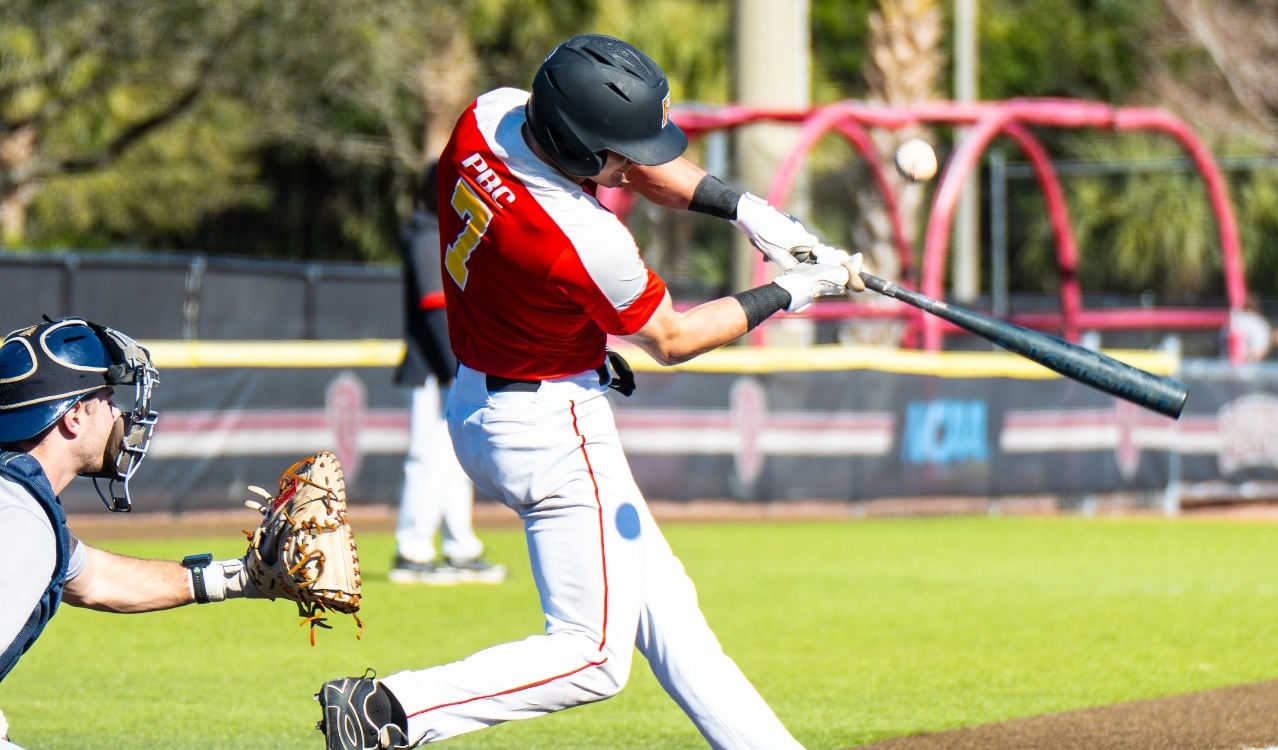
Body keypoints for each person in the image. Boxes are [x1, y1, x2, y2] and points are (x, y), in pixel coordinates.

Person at [315, 34, 860, 750]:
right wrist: (792, 289)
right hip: (550, 428)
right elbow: (673, 339)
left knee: (672, 623)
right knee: (594, 657)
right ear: (577, 149)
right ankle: (392, 709)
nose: (634, 160)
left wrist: (755, 215)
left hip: (487, 401)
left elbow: (632, 168)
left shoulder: (490, 114)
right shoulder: (579, 237)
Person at [0, 316, 273, 749]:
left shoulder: (21, 501)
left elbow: (98, 581)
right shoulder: (20, 518)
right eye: (108, 399)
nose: (118, 414)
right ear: (73, 418)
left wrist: (240, 577)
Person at [389, 163, 506, 586]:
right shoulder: (425, 232)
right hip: (433, 369)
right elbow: (434, 309)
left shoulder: (447, 234)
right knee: (426, 458)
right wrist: (458, 370)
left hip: (451, 366)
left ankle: (460, 548)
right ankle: (412, 552)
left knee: (455, 460)